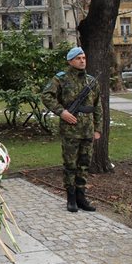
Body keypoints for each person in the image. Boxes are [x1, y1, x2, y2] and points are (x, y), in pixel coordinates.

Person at [41, 47, 102, 212]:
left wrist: (98, 129)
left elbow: (97, 106)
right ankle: (71, 198)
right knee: (70, 164)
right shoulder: (61, 79)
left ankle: (82, 197)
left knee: (84, 164)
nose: (82, 60)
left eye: (83, 57)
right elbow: (46, 95)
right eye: (78, 58)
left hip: (88, 128)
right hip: (71, 128)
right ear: (70, 61)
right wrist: (62, 112)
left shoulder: (91, 81)